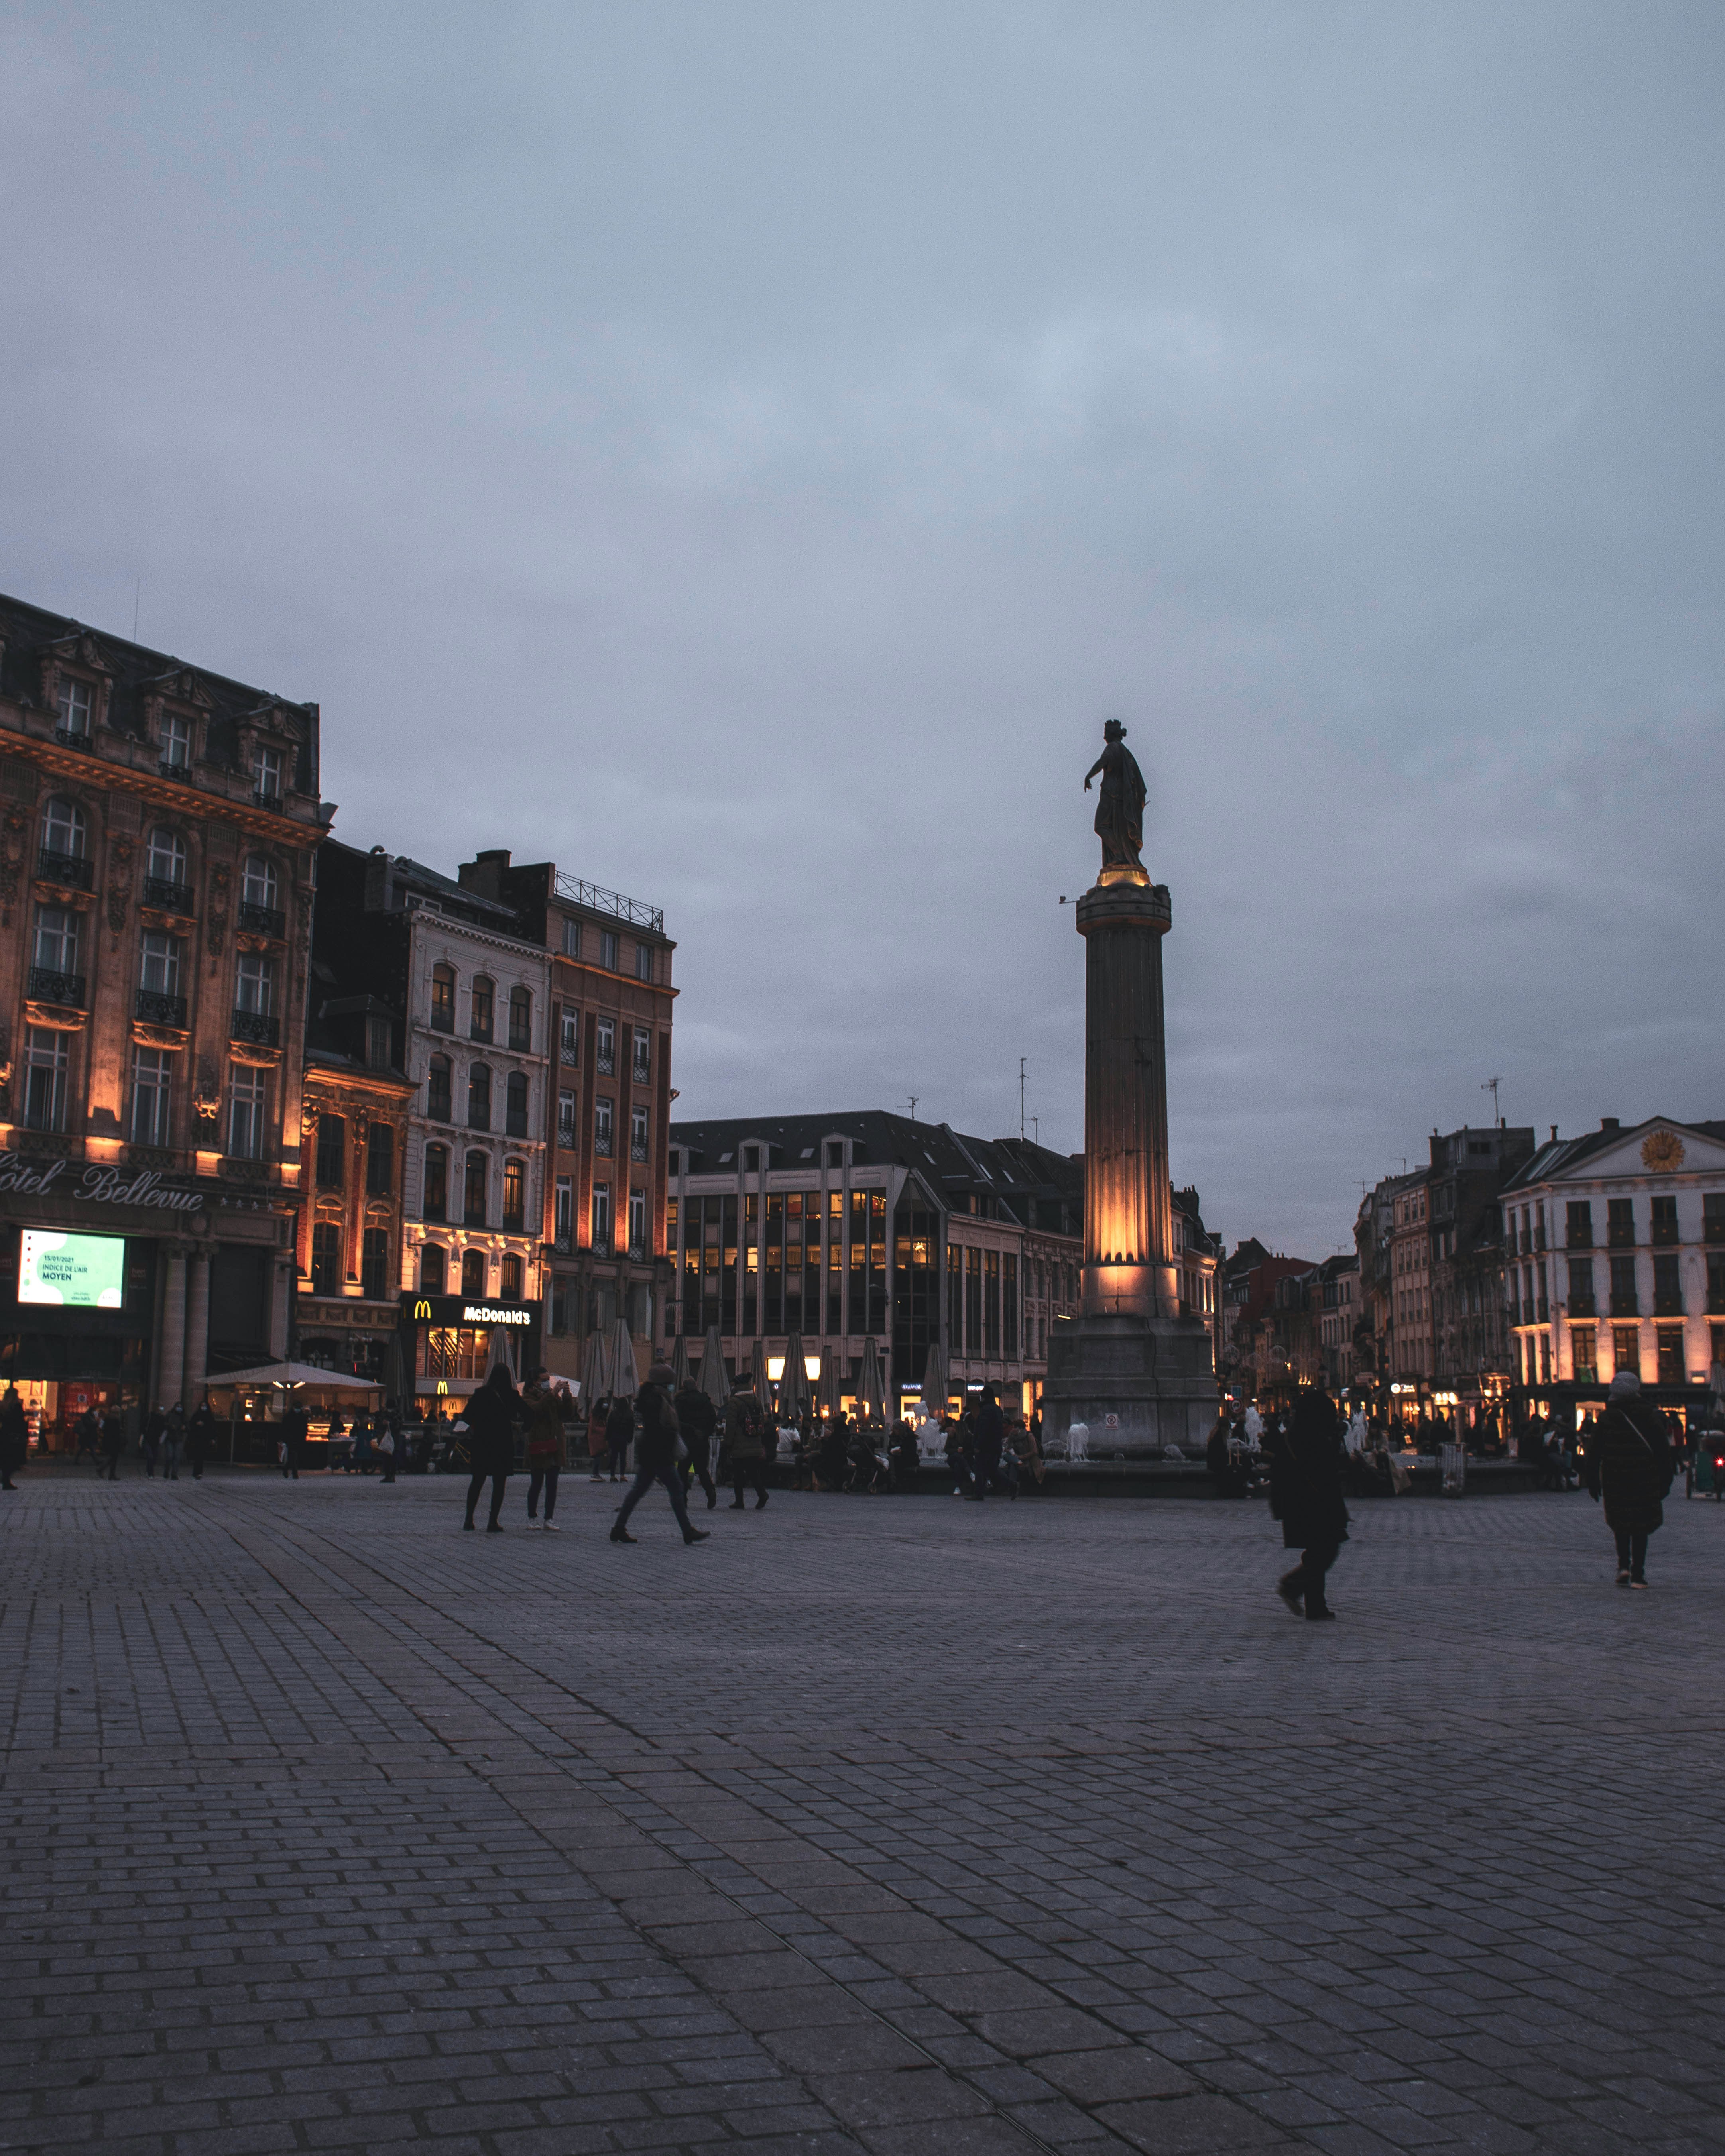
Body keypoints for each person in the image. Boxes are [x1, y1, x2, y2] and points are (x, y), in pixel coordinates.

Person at [1268, 1383, 1350, 1621]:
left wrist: (1279, 1505)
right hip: (1318, 1506)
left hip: (1297, 1506)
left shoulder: (1290, 1438)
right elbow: (1329, 1478)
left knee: (1316, 1551)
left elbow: (1278, 1475)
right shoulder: (1317, 1440)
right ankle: (1292, 1585)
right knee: (1326, 1550)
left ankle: (1316, 1606)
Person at [1585, 1369, 1672, 1587]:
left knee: (1620, 1523)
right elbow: (1663, 1451)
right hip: (1645, 1478)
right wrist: (1666, 1481)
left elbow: (1594, 1453)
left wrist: (1593, 1482)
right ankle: (1638, 1575)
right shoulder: (1650, 1415)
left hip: (1616, 1478)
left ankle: (1623, 1565)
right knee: (1641, 1527)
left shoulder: (1606, 1418)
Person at [610, 1364, 709, 1545]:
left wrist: (687, 1429)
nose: (672, 1386)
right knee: (675, 1490)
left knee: (640, 1491)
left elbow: (670, 1424)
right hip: (658, 1453)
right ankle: (687, 1531)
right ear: (663, 1382)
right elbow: (662, 1427)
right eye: (670, 1382)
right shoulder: (655, 1400)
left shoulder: (655, 1397)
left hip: (653, 1453)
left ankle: (618, 1528)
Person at [462, 1364, 521, 1531]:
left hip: (482, 1443)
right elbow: (524, 1414)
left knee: (477, 1481)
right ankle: (492, 1521)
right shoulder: (512, 1395)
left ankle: (469, 1519)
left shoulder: (480, 1394)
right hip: (502, 1445)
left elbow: (466, 1416)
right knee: (499, 1483)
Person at [522, 1370, 565, 1527]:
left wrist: (565, 1395)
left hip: (554, 1444)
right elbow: (536, 1409)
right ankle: (532, 1517)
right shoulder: (528, 1396)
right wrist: (552, 1393)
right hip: (539, 1444)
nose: (547, 1382)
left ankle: (549, 1518)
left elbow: (566, 1413)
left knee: (552, 1484)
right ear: (535, 1381)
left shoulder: (552, 1396)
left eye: (549, 1379)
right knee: (537, 1483)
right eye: (544, 1380)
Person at [724, 1375, 769, 1511]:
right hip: (755, 1441)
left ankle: (740, 1501)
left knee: (737, 1474)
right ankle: (762, 1494)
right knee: (753, 1472)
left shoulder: (735, 1402)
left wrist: (727, 1443)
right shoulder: (757, 1400)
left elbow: (731, 1425)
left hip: (739, 1444)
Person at [674, 1377, 720, 1511]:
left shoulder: (681, 1401)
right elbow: (713, 1419)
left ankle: (683, 1498)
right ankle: (710, 1491)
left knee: (682, 1470)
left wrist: (689, 1431)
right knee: (701, 1469)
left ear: (685, 1387)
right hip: (702, 1441)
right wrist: (705, 1433)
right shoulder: (706, 1400)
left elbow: (676, 1421)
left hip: (687, 1441)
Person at [968, 1383, 1005, 1501]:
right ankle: (1012, 1485)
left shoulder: (986, 1410)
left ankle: (978, 1493)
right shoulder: (998, 1410)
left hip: (985, 1446)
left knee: (979, 1468)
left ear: (984, 1398)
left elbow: (983, 1429)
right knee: (992, 1470)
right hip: (995, 1445)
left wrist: (978, 1445)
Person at [0, 1385, 26, 1490]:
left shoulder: (3, 1406)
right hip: (15, 1436)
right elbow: (20, 1422)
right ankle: (6, 1480)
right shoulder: (17, 1406)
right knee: (14, 1459)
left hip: (4, 1435)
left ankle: (5, 1478)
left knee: (6, 1458)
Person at [604, 1391, 634, 1482]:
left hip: (614, 1438)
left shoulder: (613, 1413)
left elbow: (609, 1426)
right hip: (624, 1438)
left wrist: (608, 1437)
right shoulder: (630, 1413)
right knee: (623, 1457)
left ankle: (612, 1476)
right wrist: (630, 1438)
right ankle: (622, 1475)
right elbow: (631, 1427)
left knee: (613, 1457)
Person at [281, 1402, 309, 1481]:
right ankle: (294, 1473)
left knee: (293, 1456)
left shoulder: (289, 1416)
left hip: (294, 1439)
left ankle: (287, 1468)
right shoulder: (300, 1416)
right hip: (293, 1439)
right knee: (294, 1455)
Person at [586, 1393, 611, 1480]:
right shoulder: (595, 1414)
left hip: (599, 1438)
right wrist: (604, 1430)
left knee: (599, 1455)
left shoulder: (601, 1414)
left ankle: (596, 1473)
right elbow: (592, 1426)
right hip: (596, 1438)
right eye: (604, 1403)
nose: (606, 1404)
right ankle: (595, 1474)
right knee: (597, 1455)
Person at [100, 1407, 126, 1482]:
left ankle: (110, 1474)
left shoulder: (108, 1419)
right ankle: (105, 1471)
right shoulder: (116, 1420)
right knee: (113, 1458)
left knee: (113, 1458)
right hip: (114, 1441)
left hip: (109, 1441)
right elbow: (117, 1432)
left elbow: (104, 1429)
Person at [160, 1407, 184, 1482]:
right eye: (178, 1406)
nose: (179, 1408)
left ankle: (174, 1474)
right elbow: (164, 1424)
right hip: (170, 1439)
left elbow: (188, 1426)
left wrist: (185, 1428)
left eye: (181, 1407)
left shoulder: (183, 1417)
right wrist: (170, 1426)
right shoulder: (170, 1415)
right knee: (170, 1456)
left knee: (177, 1457)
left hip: (179, 1439)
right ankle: (166, 1472)